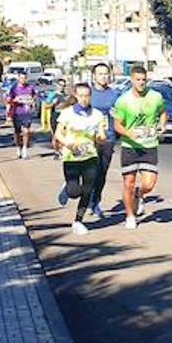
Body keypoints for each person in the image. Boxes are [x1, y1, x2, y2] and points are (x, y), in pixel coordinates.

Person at [111, 65, 166, 230]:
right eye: (138, 80)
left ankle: (139, 194)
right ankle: (130, 216)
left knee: (149, 184)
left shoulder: (156, 96)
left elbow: (163, 112)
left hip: (149, 146)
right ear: (132, 80)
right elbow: (117, 125)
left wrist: (162, 124)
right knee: (128, 182)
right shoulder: (123, 100)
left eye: (144, 80)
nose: (141, 83)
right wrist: (129, 133)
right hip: (130, 147)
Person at [52, 82, 108, 235]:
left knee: (88, 189)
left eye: (87, 96)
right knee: (74, 191)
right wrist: (67, 144)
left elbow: (101, 136)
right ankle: (67, 188)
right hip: (71, 157)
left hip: (90, 156)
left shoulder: (97, 114)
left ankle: (78, 221)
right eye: (81, 96)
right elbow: (58, 134)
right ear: (76, 96)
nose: (84, 99)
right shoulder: (67, 113)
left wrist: (101, 138)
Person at [86, 63, 121, 218]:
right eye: (100, 74)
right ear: (94, 76)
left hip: (108, 137)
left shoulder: (114, 94)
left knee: (101, 172)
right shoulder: (87, 93)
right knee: (89, 171)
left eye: (106, 74)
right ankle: (79, 191)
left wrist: (117, 114)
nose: (103, 76)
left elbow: (122, 114)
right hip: (88, 137)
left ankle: (95, 203)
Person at [7, 71, 38, 158]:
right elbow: (8, 100)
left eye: (24, 78)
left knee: (26, 131)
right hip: (16, 112)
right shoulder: (14, 88)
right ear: (18, 78)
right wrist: (14, 100)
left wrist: (32, 101)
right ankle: (18, 147)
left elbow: (34, 96)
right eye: (21, 78)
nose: (23, 80)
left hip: (26, 112)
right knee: (17, 132)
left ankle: (24, 149)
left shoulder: (30, 87)